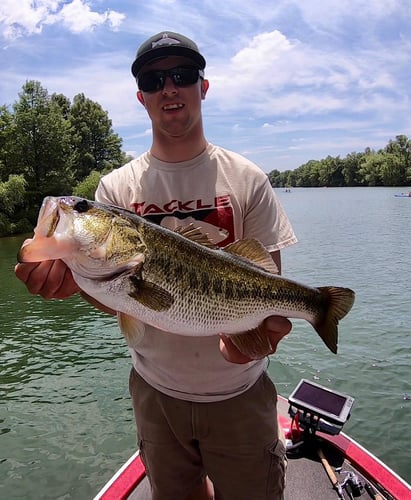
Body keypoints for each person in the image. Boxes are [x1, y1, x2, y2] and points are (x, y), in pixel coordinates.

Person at [15, 31, 297, 500]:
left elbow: (268, 285)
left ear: (202, 87)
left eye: (183, 75)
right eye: (154, 79)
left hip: (240, 395)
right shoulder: (114, 189)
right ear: (142, 97)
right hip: (154, 394)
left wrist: (256, 338)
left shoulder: (248, 180)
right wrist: (76, 283)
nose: (170, 88)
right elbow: (122, 298)